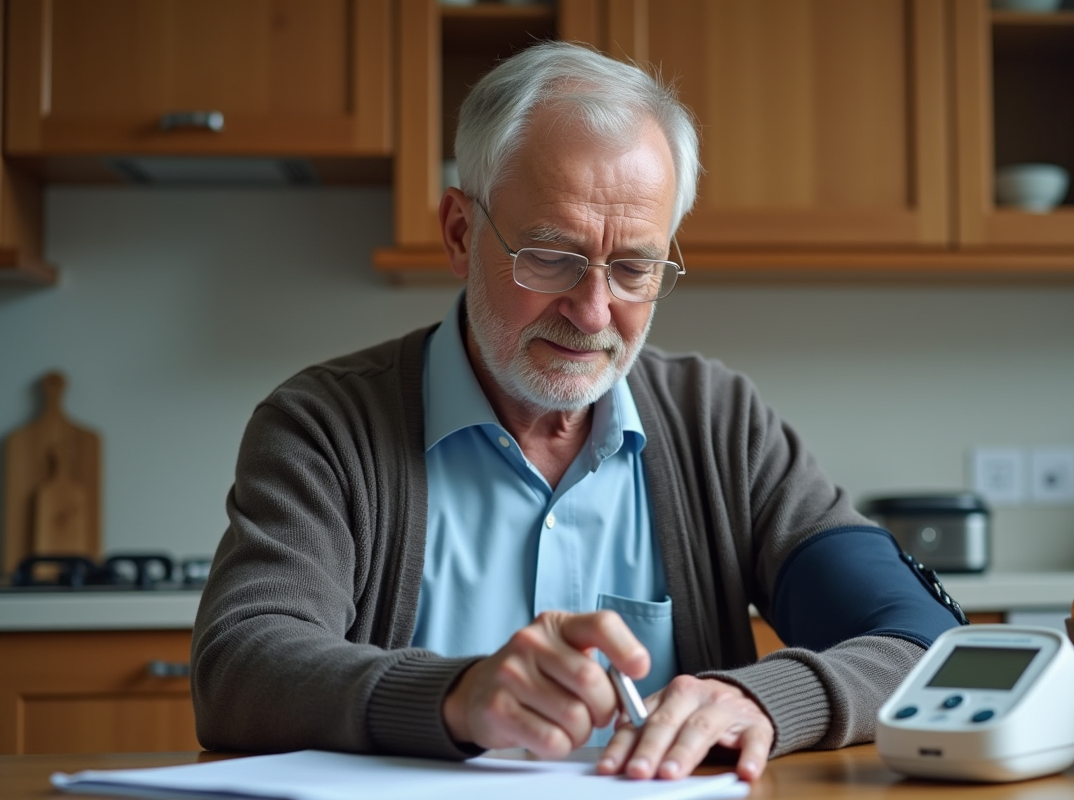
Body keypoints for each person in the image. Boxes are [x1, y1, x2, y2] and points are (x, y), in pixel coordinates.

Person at [190, 41, 964, 782]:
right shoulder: (324, 426)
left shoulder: (719, 424)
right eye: (552, 256)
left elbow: (921, 640)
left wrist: (764, 698)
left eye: (634, 267)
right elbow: (240, 664)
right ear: (460, 234)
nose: (593, 312)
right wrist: (455, 696)